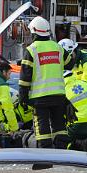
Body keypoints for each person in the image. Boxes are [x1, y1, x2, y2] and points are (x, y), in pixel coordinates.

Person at [19, 16, 68, 148]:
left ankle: (45, 153)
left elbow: (25, 79)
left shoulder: (31, 50)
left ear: (34, 32)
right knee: (59, 125)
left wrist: (23, 98)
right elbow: (70, 62)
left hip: (40, 97)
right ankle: (62, 152)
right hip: (59, 95)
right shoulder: (58, 48)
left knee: (42, 127)